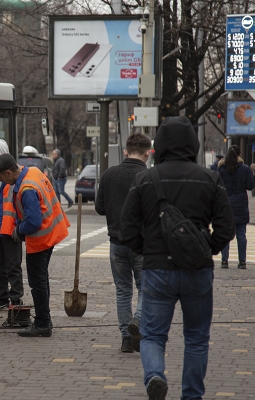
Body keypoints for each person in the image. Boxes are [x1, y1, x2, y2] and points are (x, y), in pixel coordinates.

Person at [120, 116, 235, 400]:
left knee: (153, 335)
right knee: (196, 338)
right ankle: (192, 395)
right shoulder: (210, 178)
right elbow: (226, 228)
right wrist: (208, 248)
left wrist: (147, 250)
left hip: (158, 270)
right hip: (198, 271)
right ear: (193, 145)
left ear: (160, 146)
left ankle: (155, 375)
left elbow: (127, 229)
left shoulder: (145, 179)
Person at [0, 154, 70, 338]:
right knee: (42, 279)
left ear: (9, 173)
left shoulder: (26, 189)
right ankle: (44, 320)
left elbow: (33, 222)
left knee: (37, 282)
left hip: (40, 238)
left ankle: (42, 323)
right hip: (51, 232)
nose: (1, 181)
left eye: (1, 177)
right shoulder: (33, 172)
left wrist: (18, 230)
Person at [95, 133, 150, 353]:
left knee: (123, 290)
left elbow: (99, 208)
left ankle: (127, 340)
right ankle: (137, 320)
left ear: (126, 151)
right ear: (148, 153)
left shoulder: (109, 174)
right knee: (146, 288)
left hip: (116, 243)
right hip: (142, 244)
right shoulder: (148, 176)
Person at [0, 139, 24, 311]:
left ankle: (15, 299)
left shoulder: (13, 174)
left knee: (13, 264)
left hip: (9, 227)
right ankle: (2, 297)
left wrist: (18, 226)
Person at [218, 145, 254, 269]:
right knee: (241, 234)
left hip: (225, 205)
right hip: (241, 205)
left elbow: (217, 187)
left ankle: (224, 261)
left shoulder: (222, 169)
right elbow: (250, 186)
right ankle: (242, 261)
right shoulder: (245, 169)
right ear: (239, 155)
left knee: (225, 234)